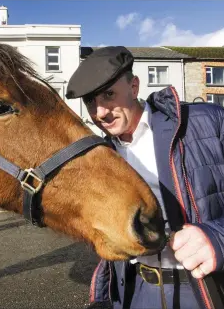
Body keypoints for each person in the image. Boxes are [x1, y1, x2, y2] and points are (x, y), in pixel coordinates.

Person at [66, 46, 224, 309]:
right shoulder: (100, 157)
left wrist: (218, 237)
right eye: (91, 102)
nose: (100, 113)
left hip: (205, 290)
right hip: (138, 292)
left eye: (108, 95)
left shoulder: (207, 121)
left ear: (134, 86)